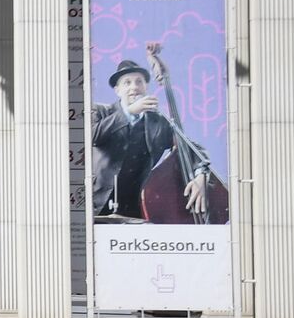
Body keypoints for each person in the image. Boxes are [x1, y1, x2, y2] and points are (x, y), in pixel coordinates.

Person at [89, 58, 209, 221]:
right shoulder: (101, 111)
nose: (134, 87)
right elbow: (92, 135)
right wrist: (129, 112)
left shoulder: (158, 122)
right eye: (127, 83)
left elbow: (190, 149)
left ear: (146, 87)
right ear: (117, 90)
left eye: (139, 82)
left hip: (140, 210)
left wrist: (201, 176)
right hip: (97, 208)